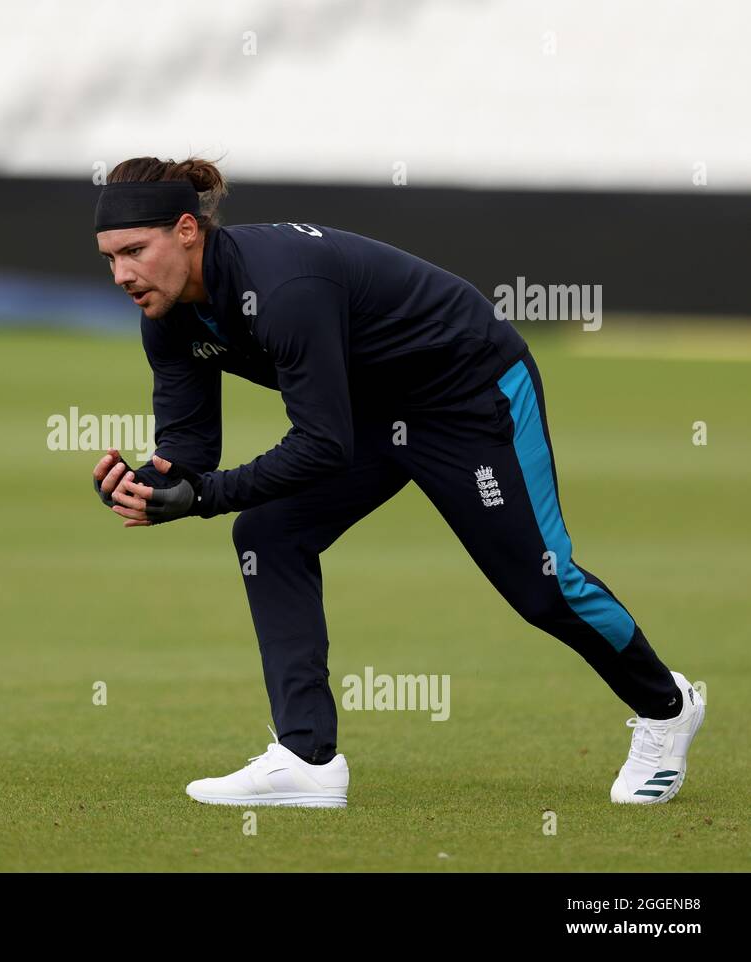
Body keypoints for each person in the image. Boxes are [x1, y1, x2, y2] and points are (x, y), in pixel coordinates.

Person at [90, 155, 703, 808]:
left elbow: (320, 447)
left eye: (134, 250)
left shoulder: (283, 287)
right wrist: (151, 485)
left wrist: (206, 497)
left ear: (188, 230)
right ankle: (307, 760)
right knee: (269, 536)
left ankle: (667, 708)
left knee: (541, 585)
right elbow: (189, 447)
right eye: (109, 257)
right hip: (376, 412)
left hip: (471, 390)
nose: (122, 274)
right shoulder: (166, 317)